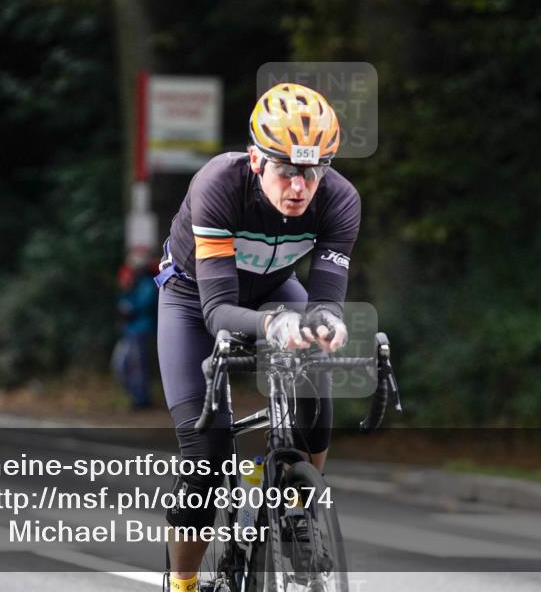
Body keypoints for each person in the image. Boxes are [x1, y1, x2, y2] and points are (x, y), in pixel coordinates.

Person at [154, 82, 360, 591]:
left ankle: (301, 501)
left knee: (316, 385)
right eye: (287, 169)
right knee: (207, 452)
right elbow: (219, 311)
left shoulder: (340, 200)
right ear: (255, 160)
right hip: (193, 296)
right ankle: (182, 582)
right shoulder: (218, 186)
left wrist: (327, 324)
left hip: (272, 289)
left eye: (312, 172)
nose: (299, 186)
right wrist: (274, 325)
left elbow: (326, 300)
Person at [111, 249, 158, 409]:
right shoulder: (132, 281)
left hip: (141, 328)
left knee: (137, 366)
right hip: (129, 330)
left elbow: (145, 304)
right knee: (121, 364)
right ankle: (136, 396)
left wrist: (129, 308)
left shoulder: (147, 282)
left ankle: (142, 399)